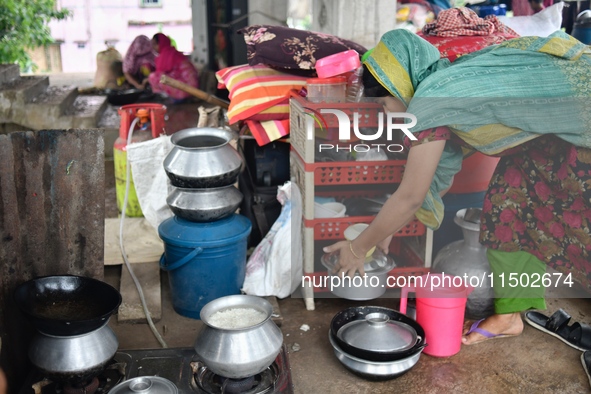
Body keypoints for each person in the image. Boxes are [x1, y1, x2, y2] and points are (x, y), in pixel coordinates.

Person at [323, 29, 591, 346]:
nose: (386, 114)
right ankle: (509, 315)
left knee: (581, 225)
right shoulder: (442, 83)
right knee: (508, 205)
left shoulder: (433, 98)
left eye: (383, 103)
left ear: (399, 83)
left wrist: (357, 248)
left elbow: (411, 196)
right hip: (548, 137)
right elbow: (432, 173)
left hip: (581, 113)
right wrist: (385, 232)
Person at [148, 33, 199, 102]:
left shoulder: (165, 55)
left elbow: (159, 75)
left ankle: (168, 98)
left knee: (153, 77)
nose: (153, 47)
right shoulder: (173, 53)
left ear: (161, 43)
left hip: (187, 90)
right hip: (194, 89)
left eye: (155, 44)